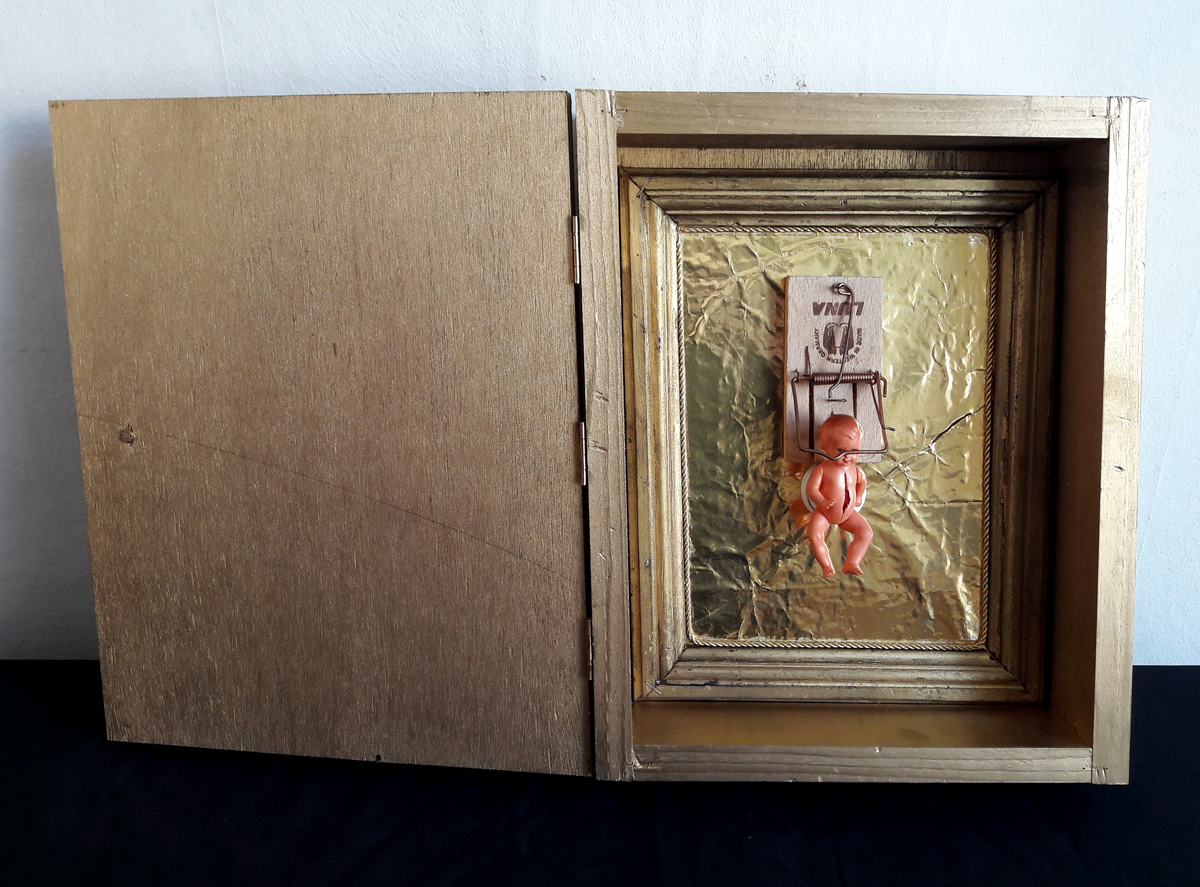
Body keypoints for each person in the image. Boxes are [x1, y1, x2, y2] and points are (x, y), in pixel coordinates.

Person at [801, 414, 873, 577]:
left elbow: (862, 483)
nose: (847, 457)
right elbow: (811, 489)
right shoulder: (822, 469)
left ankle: (852, 563)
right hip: (824, 513)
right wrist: (821, 501)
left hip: (848, 514)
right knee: (815, 535)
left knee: (866, 533)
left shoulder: (856, 470)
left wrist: (859, 496)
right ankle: (826, 565)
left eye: (854, 451)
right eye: (840, 450)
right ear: (824, 447)